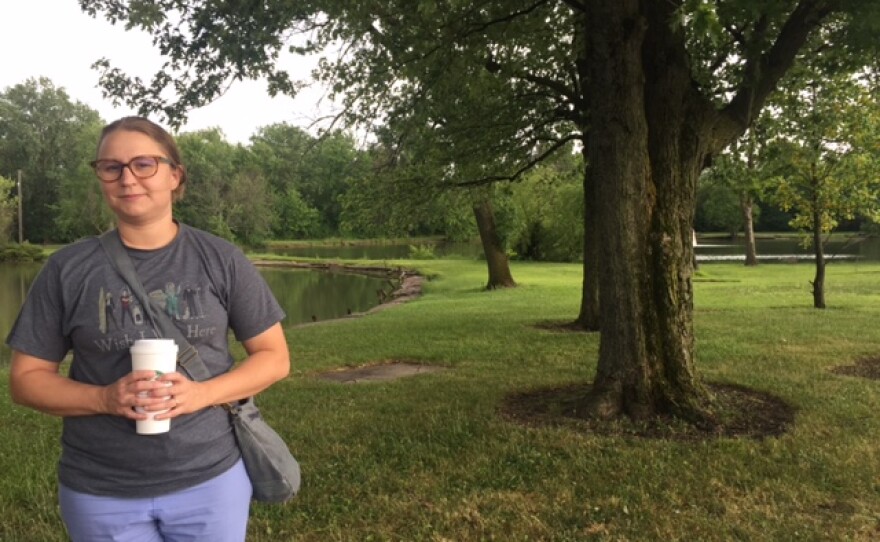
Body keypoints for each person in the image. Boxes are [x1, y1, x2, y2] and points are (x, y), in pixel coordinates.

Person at [7, 116, 290, 541]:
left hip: (211, 479)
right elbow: (26, 380)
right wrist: (105, 398)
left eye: (144, 164)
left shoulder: (221, 259)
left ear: (175, 175)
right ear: (101, 178)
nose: (127, 178)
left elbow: (274, 357)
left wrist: (201, 394)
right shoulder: (67, 269)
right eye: (111, 167)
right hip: (100, 488)